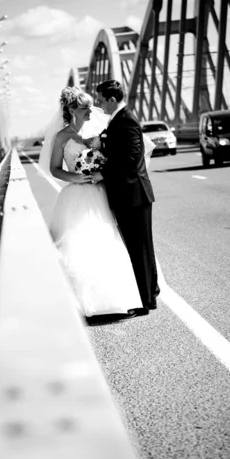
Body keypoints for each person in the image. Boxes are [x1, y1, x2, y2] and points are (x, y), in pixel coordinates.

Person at [38, 86, 145, 322]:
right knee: (79, 242)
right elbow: (55, 169)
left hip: (98, 192)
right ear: (72, 110)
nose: (91, 111)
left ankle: (113, 300)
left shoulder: (95, 132)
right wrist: (75, 177)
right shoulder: (62, 137)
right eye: (85, 107)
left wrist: (100, 167)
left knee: (105, 240)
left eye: (90, 106)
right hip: (77, 193)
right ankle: (82, 302)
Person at [92, 80, 160, 312]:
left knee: (138, 247)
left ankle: (145, 301)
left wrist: (102, 172)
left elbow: (131, 158)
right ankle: (150, 292)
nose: (98, 105)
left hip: (133, 194)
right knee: (141, 246)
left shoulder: (127, 120)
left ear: (112, 98)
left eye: (100, 100)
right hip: (130, 194)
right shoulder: (118, 120)